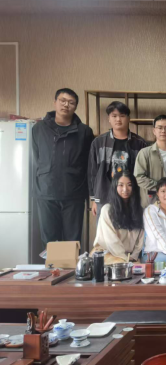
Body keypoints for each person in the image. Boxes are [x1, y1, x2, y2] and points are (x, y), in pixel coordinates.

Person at [32, 88, 94, 246]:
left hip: (74, 193)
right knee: (49, 241)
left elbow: (88, 163)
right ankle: (52, 264)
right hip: (46, 192)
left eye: (71, 102)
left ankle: (71, 264)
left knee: (72, 241)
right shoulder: (39, 128)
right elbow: (38, 157)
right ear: (55, 102)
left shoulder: (84, 131)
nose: (66, 105)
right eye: (63, 101)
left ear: (75, 107)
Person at [89, 101, 147, 221]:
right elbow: (92, 171)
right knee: (105, 229)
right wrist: (94, 199)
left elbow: (143, 172)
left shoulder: (139, 143)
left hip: (130, 195)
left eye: (122, 116)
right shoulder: (98, 142)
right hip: (104, 194)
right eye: (114, 116)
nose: (118, 119)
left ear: (128, 118)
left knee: (129, 228)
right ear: (109, 119)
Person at [93, 171, 145, 265]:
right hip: (108, 254)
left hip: (131, 258)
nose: (125, 189)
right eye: (121, 185)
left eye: (129, 185)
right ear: (115, 187)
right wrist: (125, 259)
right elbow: (111, 241)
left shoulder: (140, 211)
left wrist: (134, 256)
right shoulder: (107, 210)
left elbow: (141, 238)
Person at [135, 115, 166, 208]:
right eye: (160, 128)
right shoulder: (145, 153)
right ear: (154, 131)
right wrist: (161, 187)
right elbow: (139, 177)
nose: (163, 131)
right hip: (152, 203)